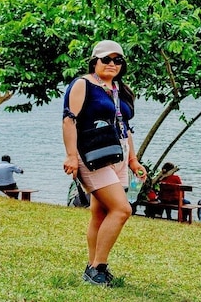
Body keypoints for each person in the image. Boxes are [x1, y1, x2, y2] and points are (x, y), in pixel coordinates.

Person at [62, 40, 145, 287]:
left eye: (117, 60)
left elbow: (125, 126)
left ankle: (92, 267)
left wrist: (133, 160)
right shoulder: (82, 84)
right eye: (106, 59)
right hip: (91, 156)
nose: (112, 64)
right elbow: (69, 120)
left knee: (100, 214)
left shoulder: (120, 89)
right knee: (122, 210)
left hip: (117, 155)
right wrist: (70, 156)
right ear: (94, 61)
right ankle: (99, 266)